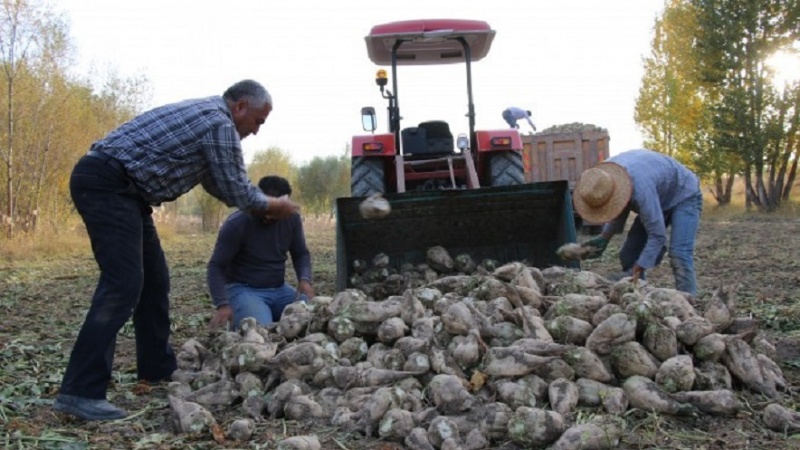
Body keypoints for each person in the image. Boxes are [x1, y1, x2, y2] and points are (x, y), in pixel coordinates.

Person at [53, 80, 299, 421]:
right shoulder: (219, 123)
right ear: (240, 107)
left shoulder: (210, 118)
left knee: (155, 282)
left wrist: (262, 205)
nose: (255, 132)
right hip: (108, 184)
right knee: (122, 285)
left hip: (128, 193)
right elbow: (237, 189)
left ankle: (156, 369)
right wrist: (274, 204)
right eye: (257, 121)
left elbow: (218, 184)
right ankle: (79, 391)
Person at [574, 149, 703, 295]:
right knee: (628, 254)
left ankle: (689, 303)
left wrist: (638, 268)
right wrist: (604, 237)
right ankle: (639, 293)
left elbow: (658, 236)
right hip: (658, 194)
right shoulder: (605, 178)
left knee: (680, 254)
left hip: (684, 193)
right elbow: (618, 209)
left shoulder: (641, 190)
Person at [207, 175, 314, 329]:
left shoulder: (292, 219)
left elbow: (301, 253)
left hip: (279, 289)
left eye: (276, 212)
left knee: (313, 317)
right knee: (261, 333)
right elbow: (216, 266)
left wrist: (304, 280)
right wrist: (222, 304)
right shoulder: (237, 223)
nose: (269, 217)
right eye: (267, 209)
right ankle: (244, 317)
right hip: (244, 290)